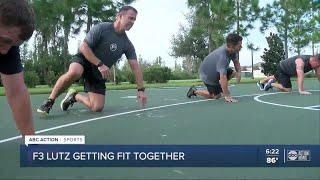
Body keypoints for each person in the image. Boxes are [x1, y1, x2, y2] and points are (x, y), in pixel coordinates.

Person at [37, 6, 147, 115]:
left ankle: (74, 96)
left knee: (97, 107)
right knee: (75, 72)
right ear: (119, 16)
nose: (132, 22)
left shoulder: (127, 44)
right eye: (130, 18)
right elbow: (83, 47)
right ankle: (49, 101)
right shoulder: (102, 28)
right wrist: (99, 64)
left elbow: (135, 67)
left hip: (97, 73)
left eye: (134, 19)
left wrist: (140, 90)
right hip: (84, 60)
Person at [0, 0, 35, 135]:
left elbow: (17, 93)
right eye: (4, 41)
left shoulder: (8, 46)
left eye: (13, 45)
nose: (4, 51)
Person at [187, 33, 242, 103]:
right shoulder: (222, 56)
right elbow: (223, 77)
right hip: (207, 74)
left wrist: (239, 73)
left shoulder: (233, 51)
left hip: (216, 70)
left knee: (233, 72)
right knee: (216, 96)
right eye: (239, 45)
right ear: (231, 46)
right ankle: (194, 91)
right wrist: (227, 95)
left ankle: (220, 87)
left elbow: (236, 62)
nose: (241, 47)